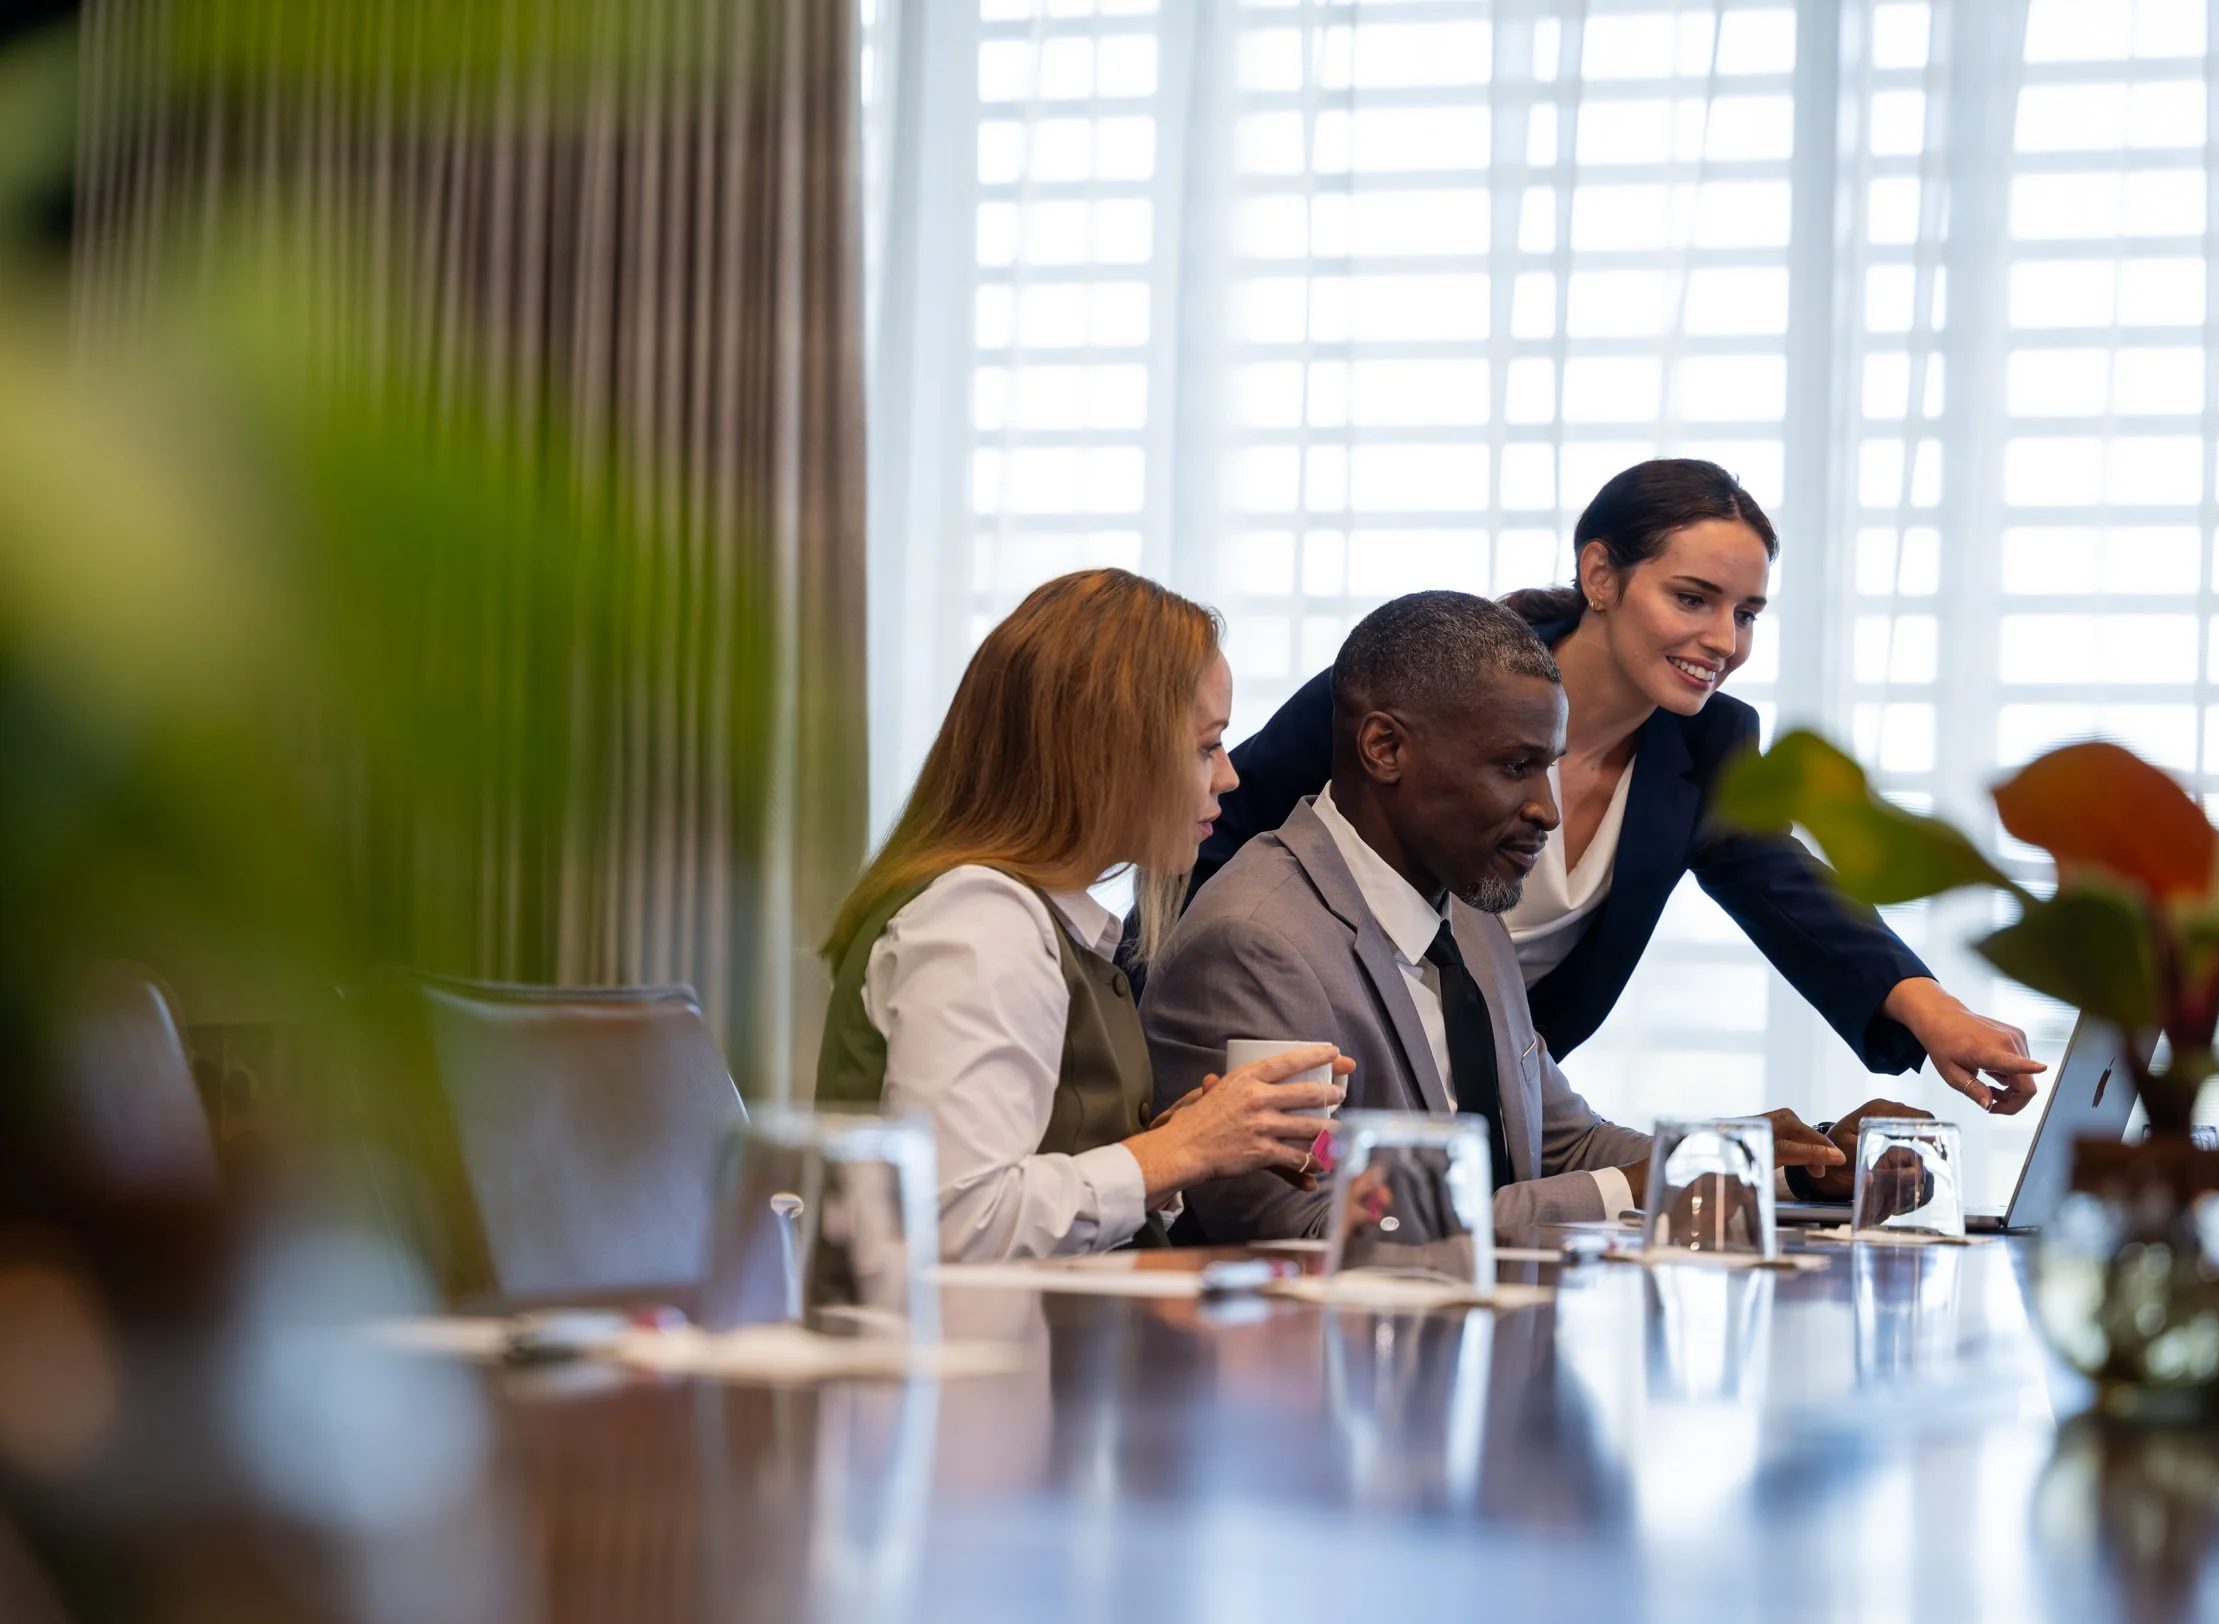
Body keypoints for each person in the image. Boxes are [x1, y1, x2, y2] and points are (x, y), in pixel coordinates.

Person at [1191, 460, 2044, 1194]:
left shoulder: (1706, 745)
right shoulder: (1437, 680)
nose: (1723, 639)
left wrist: (1930, 1010)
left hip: (1502, 1088)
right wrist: (1188, 1014)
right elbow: (1224, 827)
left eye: (1746, 613)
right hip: (1330, 1059)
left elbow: (1784, 885)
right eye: (1693, 597)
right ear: (1600, 576)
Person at [1142, 591, 1871, 1245]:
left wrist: (1778, 1168)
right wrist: (1631, 1188)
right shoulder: (1258, 940)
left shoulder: (1467, 906)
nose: (1547, 811)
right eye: (1515, 766)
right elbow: (1301, 1226)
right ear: (1385, 748)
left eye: (1548, 768)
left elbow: (1561, 1145)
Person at [816, 569, 1348, 1261]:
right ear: (1107, 754)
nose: (1228, 776)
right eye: (1204, 745)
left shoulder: (1027, 919)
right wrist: (1176, 1151)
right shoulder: (981, 922)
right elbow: (956, 1221)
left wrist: (1190, 1143)